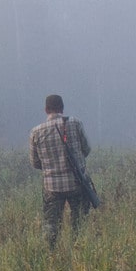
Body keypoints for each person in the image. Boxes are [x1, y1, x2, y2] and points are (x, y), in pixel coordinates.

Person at [29, 93, 93, 246]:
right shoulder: (75, 123)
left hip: (52, 187)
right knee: (79, 224)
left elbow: (35, 163)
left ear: (46, 110)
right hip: (77, 183)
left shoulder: (36, 132)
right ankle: (78, 252)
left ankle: (51, 256)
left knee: (51, 227)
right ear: (62, 108)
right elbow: (86, 149)